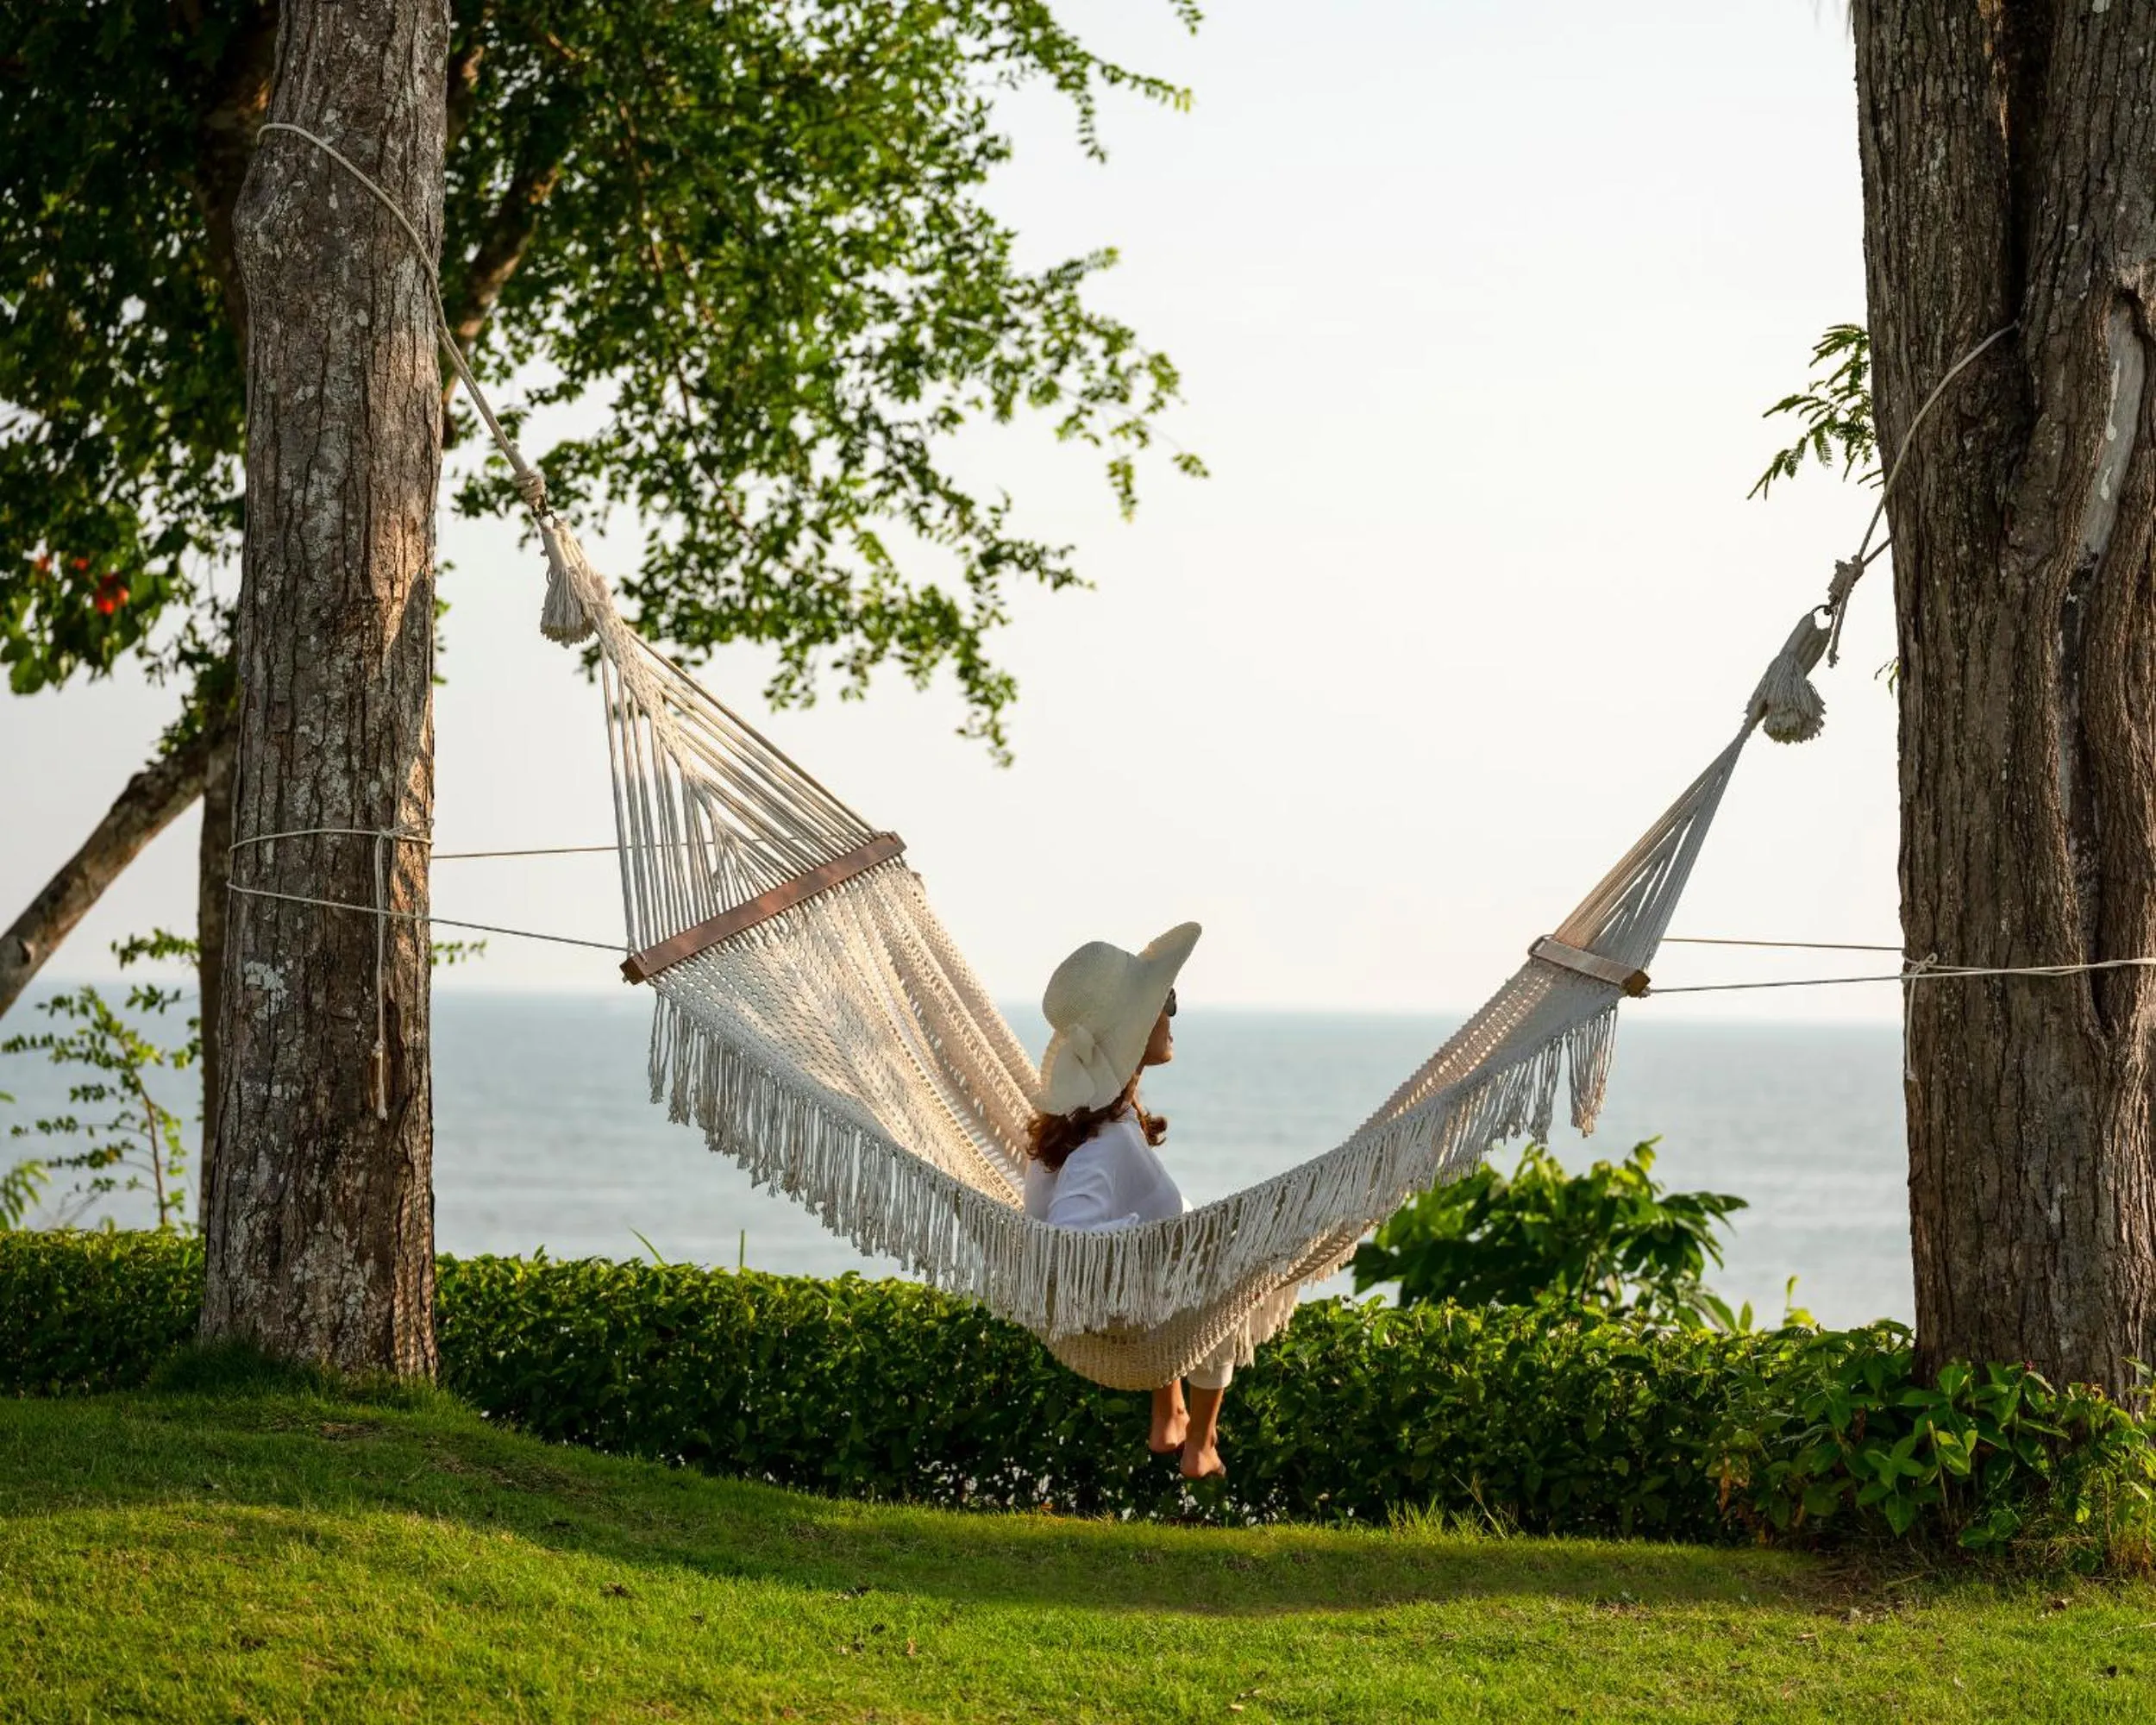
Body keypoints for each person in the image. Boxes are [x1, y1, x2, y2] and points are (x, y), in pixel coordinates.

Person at [1025, 922, 1237, 1481]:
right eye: (1164, 1003)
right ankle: (1201, 1441)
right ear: (1134, 1027)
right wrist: (1144, 1238)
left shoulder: (1104, 1118)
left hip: (1148, 1303)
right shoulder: (1106, 1142)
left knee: (1192, 1237)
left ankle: (1169, 1411)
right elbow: (1069, 1234)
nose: (1171, 1015)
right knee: (1230, 1264)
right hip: (1131, 1307)